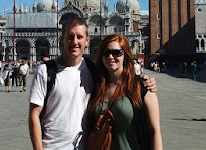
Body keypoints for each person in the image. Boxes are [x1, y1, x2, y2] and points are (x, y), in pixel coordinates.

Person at [28, 16, 157, 150]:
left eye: (79, 37)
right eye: (70, 37)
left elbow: (118, 77)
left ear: (87, 41)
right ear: (62, 39)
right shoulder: (45, 71)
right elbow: (34, 115)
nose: (75, 42)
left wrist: (144, 82)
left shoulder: (93, 70)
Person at [86, 34, 162, 150]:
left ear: (125, 56)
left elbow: (154, 131)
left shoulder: (142, 87)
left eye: (116, 52)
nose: (110, 57)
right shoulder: (95, 87)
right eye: (106, 53)